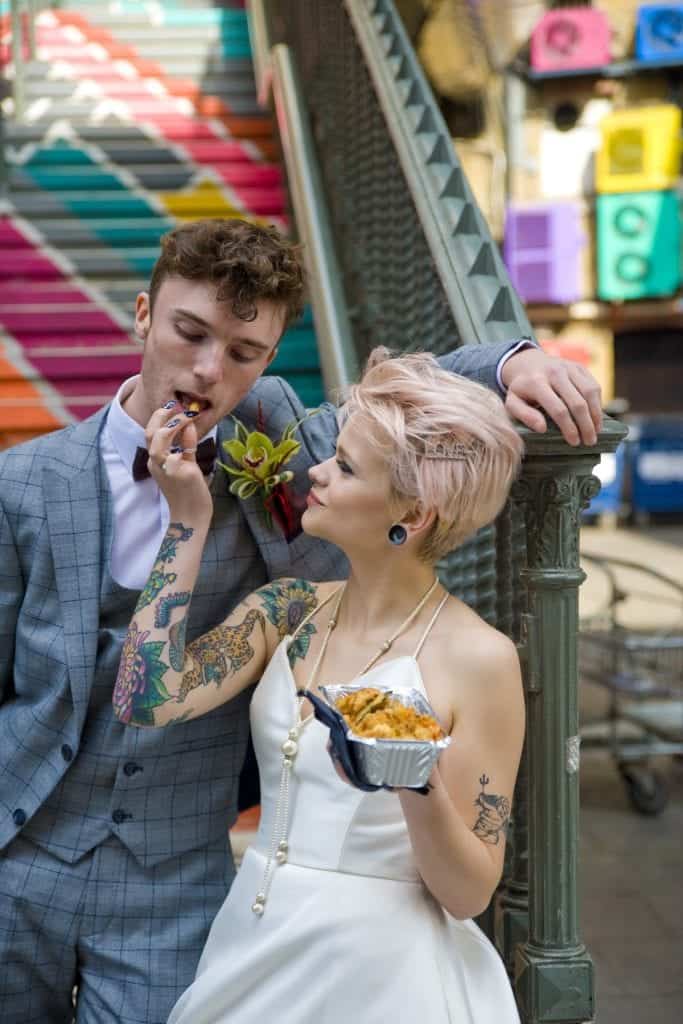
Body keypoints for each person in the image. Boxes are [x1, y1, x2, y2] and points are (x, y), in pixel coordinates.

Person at [0, 217, 600, 1024]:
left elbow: (400, 416)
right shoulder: (24, 481)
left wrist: (509, 359)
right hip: (21, 855)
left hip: (171, 882)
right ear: (143, 314)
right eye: (189, 333)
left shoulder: (277, 443)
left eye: (244, 353)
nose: (209, 370)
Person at [114, 349, 526, 1023]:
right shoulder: (289, 610)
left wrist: (413, 781)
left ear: (413, 514)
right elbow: (146, 696)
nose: (318, 473)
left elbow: (467, 894)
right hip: (254, 947)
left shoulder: (479, 657)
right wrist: (186, 520)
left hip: (384, 979)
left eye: (346, 467)